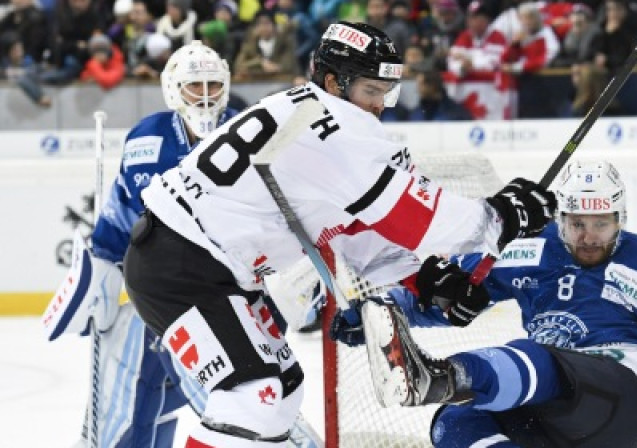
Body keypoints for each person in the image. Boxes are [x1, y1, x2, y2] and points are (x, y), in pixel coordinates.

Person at [122, 21, 555, 448]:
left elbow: (351, 231)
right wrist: (499, 217)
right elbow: (412, 218)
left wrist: (424, 277)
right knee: (254, 398)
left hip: (199, 263)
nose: (380, 105)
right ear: (334, 82)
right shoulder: (332, 127)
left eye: (387, 93)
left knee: (280, 394)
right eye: (371, 91)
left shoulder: (307, 113)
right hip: (183, 265)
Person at [331, 160, 637, 448]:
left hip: (615, 404)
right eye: (578, 223)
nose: (589, 235)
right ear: (561, 219)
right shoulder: (530, 249)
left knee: (531, 355)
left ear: (621, 219)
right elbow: (448, 291)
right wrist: (377, 313)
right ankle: (449, 388)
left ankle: (445, 376)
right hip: (544, 412)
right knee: (455, 423)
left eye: (602, 223)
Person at [43, 41, 250, 448]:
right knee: (124, 403)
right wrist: (101, 267)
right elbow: (122, 211)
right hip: (152, 294)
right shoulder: (146, 138)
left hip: (224, 303)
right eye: (195, 85)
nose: (205, 95)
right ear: (174, 89)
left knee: (242, 405)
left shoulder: (246, 134)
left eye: (212, 83)